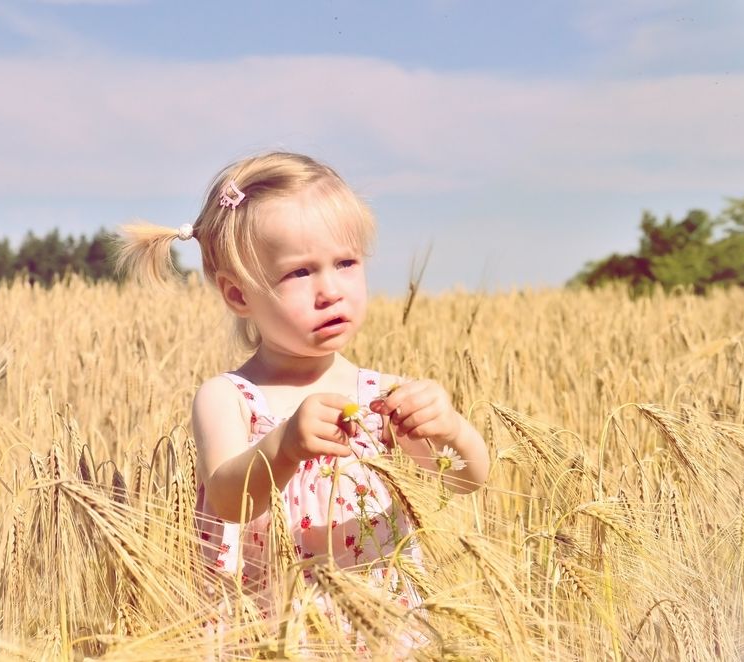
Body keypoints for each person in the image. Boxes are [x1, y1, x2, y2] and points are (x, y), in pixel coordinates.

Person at [118, 151, 489, 617]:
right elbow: (229, 501)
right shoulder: (230, 398)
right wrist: (284, 447)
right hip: (275, 624)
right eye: (300, 272)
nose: (331, 290)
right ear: (238, 294)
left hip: (381, 622)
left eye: (347, 263)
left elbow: (464, 480)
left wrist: (449, 428)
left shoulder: (382, 397)